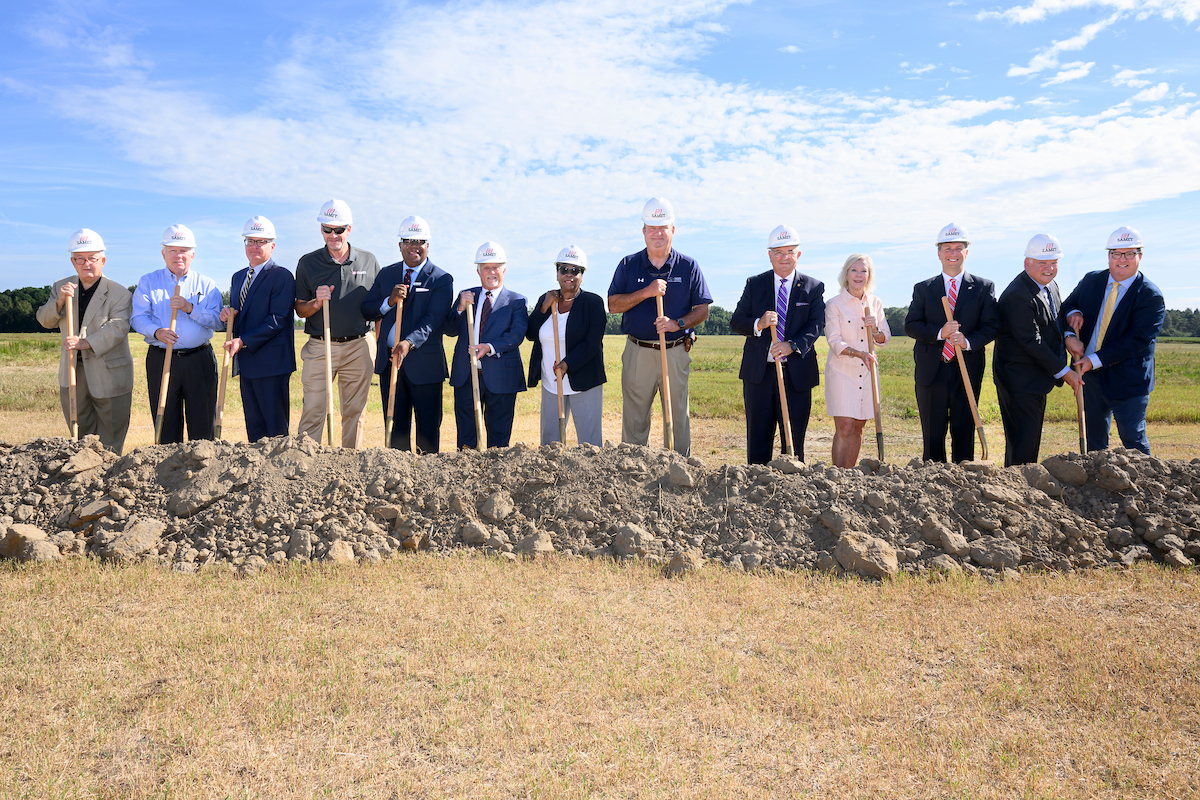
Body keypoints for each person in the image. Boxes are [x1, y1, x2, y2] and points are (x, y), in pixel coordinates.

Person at [607, 197, 712, 456]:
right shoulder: (627, 265)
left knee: (677, 417)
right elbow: (613, 304)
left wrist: (677, 324)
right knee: (635, 420)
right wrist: (646, 292)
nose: (657, 234)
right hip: (638, 351)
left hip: (675, 350)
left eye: (663, 227)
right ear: (643, 231)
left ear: (672, 230)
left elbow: (702, 310)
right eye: (651, 228)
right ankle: (633, 473)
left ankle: (679, 475)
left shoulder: (688, 266)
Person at [1061, 226, 1166, 454]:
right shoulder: (1091, 281)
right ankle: (1096, 488)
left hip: (1128, 380)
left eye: (1129, 254)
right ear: (1109, 256)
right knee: (1093, 443)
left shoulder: (1151, 296)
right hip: (1089, 379)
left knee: (1133, 441)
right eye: (1116, 253)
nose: (1122, 259)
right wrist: (1071, 327)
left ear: (1140, 256)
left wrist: (1094, 360)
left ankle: (1144, 487)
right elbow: (1067, 306)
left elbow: (1137, 340)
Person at [904, 223, 1000, 463]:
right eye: (947, 248)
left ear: (967, 252)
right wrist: (940, 332)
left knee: (964, 429)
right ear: (939, 253)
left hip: (966, 368)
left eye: (959, 248)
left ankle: (962, 481)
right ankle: (933, 486)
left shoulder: (982, 287)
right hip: (931, 370)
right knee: (933, 432)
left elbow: (992, 326)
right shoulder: (924, 289)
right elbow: (911, 325)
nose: (953, 253)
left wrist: (967, 341)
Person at [730, 225, 825, 464]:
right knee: (758, 438)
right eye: (779, 252)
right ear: (769, 255)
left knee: (793, 440)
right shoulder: (755, 284)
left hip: (796, 375)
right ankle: (757, 487)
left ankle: (791, 490)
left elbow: (816, 325)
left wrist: (791, 345)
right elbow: (737, 322)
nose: (785, 257)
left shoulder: (813, 287)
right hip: (759, 374)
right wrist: (759, 324)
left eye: (790, 251)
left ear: (798, 255)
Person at [36, 229, 134, 454]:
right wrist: (59, 302)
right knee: (80, 432)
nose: (86, 264)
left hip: (109, 373)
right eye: (80, 259)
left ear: (103, 260)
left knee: (110, 435)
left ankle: (107, 477)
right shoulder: (61, 287)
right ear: (73, 261)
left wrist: (86, 342)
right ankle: (84, 478)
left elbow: (119, 327)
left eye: (92, 259)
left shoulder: (120, 293)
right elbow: (44, 320)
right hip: (72, 371)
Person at [361, 215, 453, 453]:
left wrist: (409, 343)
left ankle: (427, 483)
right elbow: (367, 308)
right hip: (391, 364)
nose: (414, 246)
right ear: (400, 244)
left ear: (428, 245)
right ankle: (397, 484)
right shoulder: (387, 274)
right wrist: (389, 301)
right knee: (395, 432)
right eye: (408, 241)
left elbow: (433, 319)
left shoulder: (441, 279)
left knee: (428, 434)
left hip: (425, 366)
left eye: (420, 241)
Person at [294, 199, 379, 448]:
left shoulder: (368, 261)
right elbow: (300, 309)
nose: (333, 235)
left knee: (355, 412)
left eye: (339, 230)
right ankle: (306, 466)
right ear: (321, 230)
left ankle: (349, 468)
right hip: (321, 346)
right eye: (327, 229)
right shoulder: (308, 263)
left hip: (359, 345)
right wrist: (316, 304)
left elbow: (378, 308)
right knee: (313, 408)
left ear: (348, 229)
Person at [993, 234, 1083, 467]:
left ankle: (1027, 486)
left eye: (1053, 262)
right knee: (1022, 442)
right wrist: (1066, 372)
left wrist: (1068, 336)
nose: (1049, 268)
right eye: (1042, 263)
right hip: (1018, 379)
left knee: (1031, 437)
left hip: (1037, 376)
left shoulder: (1050, 285)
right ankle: (1015, 489)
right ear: (1027, 263)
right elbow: (1031, 342)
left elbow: (1056, 319)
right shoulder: (1017, 296)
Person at [130, 224, 223, 444]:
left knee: (202, 425)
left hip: (199, 360)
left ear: (192, 254)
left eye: (183, 250)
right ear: (163, 254)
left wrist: (191, 308)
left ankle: (201, 472)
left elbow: (218, 321)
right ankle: (168, 474)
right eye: (172, 250)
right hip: (162, 358)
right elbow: (138, 318)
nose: (178, 255)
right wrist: (157, 332)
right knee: (166, 422)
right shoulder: (148, 282)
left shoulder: (207, 285)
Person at [217, 216, 295, 442]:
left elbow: (277, 319)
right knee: (254, 429)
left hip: (272, 363)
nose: (254, 247)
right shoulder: (238, 277)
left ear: (272, 245)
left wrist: (242, 341)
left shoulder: (282, 276)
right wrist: (227, 315)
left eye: (260, 242)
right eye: (250, 241)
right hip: (248, 363)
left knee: (275, 431)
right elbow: (242, 312)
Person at [445, 241, 528, 449]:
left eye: (495, 267)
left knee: (498, 439)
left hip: (502, 377)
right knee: (466, 436)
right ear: (478, 271)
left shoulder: (516, 301)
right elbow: (450, 329)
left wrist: (489, 347)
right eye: (486, 267)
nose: (491, 272)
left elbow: (516, 335)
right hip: (467, 376)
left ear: (504, 269)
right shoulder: (467, 296)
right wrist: (460, 309)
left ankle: (495, 478)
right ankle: (468, 476)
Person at [525, 245, 607, 446]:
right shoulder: (546, 299)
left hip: (584, 382)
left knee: (589, 444)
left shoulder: (593, 303)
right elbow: (530, 334)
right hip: (551, 383)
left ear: (582, 275)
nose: (569, 274)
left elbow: (592, 343)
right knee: (550, 442)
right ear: (557, 273)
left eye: (575, 270)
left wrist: (567, 364)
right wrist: (544, 306)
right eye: (564, 269)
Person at [824, 254, 890, 468]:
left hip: (868, 371)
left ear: (869, 276)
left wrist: (876, 330)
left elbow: (884, 338)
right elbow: (834, 342)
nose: (859, 275)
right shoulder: (834, 304)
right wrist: (859, 353)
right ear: (846, 274)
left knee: (859, 426)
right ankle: (836, 475)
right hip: (842, 371)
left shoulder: (875, 303)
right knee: (845, 426)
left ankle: (850, 476)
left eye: (864, 271)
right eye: (854, 270)